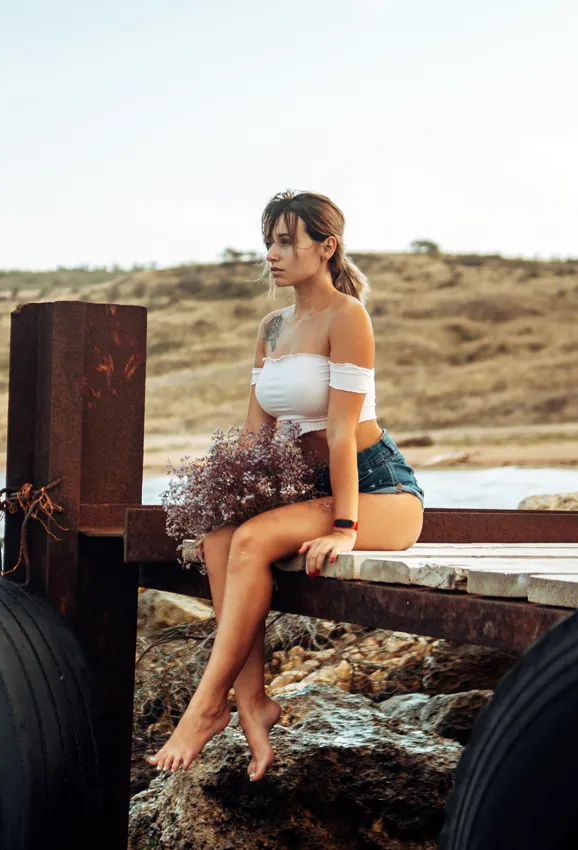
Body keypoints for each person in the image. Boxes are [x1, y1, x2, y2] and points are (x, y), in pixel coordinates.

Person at [147, 190, 426, 782]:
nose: (272, 255)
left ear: (326, 248)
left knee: (250, 544)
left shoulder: (348, 317)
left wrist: (347, 529)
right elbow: (255, 436)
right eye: (269, 241)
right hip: (309, 493)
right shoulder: (272, 328)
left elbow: (344, 432)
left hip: (378, 495)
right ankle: (251, 703)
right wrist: (221, 499)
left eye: (286, 241)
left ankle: (205, 707)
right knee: (222, 541)